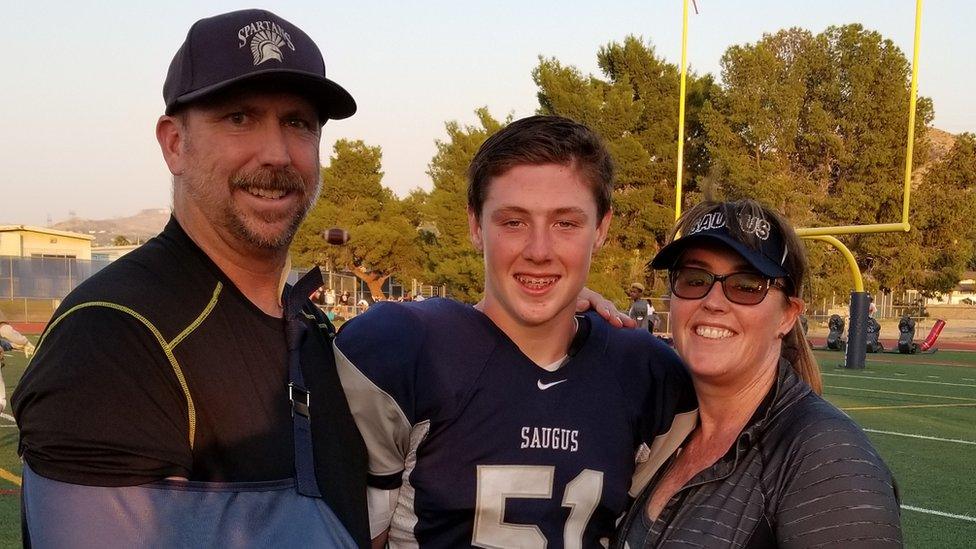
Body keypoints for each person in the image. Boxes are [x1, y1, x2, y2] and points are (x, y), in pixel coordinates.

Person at [12, 9, 369, 547]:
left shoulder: (307, 324)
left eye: (298, 122)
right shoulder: (113, 338)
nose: (276, 153)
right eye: (238, 118)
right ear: (175, 144)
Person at [334, 116, 697, 548]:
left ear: (601, 228)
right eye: (513, 222)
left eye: (566, 223)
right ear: (475, 225)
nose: (539, 250)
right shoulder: (404, 349)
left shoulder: (646, 372)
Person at [617, 199, 902, 547]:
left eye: (746, 285)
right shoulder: (668, 427)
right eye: (694, 279)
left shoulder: (828, 460)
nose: (713, 301)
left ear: (787, 315)